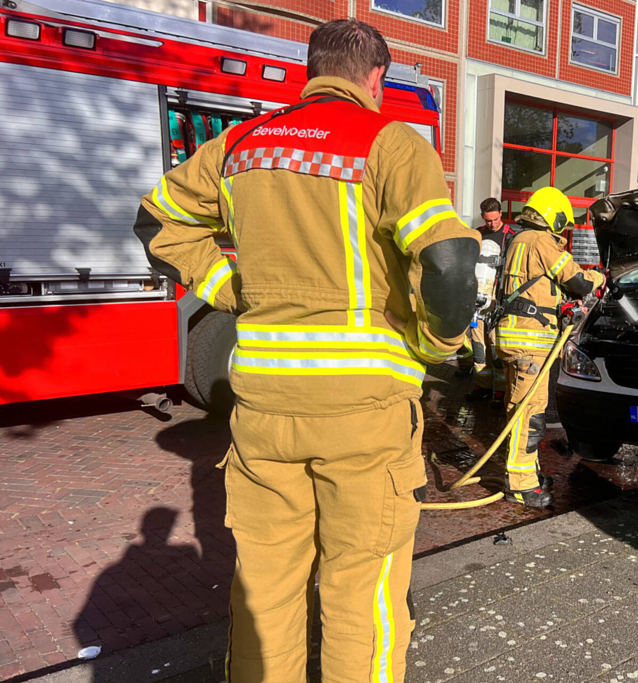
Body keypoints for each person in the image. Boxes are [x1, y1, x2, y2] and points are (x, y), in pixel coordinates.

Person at [132, 19, 480, 682]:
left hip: (263, 412)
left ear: (311, 69)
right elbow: (452, 260)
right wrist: (437, 342)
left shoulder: (240, 145)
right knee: (361, 596)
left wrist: (227, 287)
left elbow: (155, 220)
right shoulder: (390, 143)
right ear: (375, 77)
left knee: (264, 592)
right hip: (365, 415)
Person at [494, 187, 605, 508]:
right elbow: (577, 282)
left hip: (512, 336)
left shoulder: (517, 239)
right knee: (529, 414)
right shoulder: (542, 242)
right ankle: (521, 484)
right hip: (530, 341)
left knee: (518, 408)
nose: (563, 229)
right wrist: (598, 278)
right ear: (553, 216)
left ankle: (528, 471)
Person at [465, 197, 519, 408]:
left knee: (496, 347)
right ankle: (482, 386)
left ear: (500, 215)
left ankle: (501, 390)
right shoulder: (477, 235)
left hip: (498, 301)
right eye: (489, 221)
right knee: (479, 347)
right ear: (483, 218)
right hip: (477, 300)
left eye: (496, 219)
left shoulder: (510, 238)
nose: (493, 224)